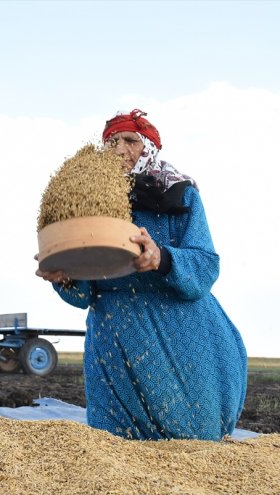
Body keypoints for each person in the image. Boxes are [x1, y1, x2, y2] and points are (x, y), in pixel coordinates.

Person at [35, 109, 247, 441]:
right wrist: (64, 277)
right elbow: (84, 294)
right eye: (111, 142)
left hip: (178, 334)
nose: (119, 150)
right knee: (115, 443)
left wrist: (161, 258)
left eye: (129, 141)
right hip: (114, 337)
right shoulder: (91, 203)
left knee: (194, 439)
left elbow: (205, 265)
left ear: (148, 147)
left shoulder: (180, 195)